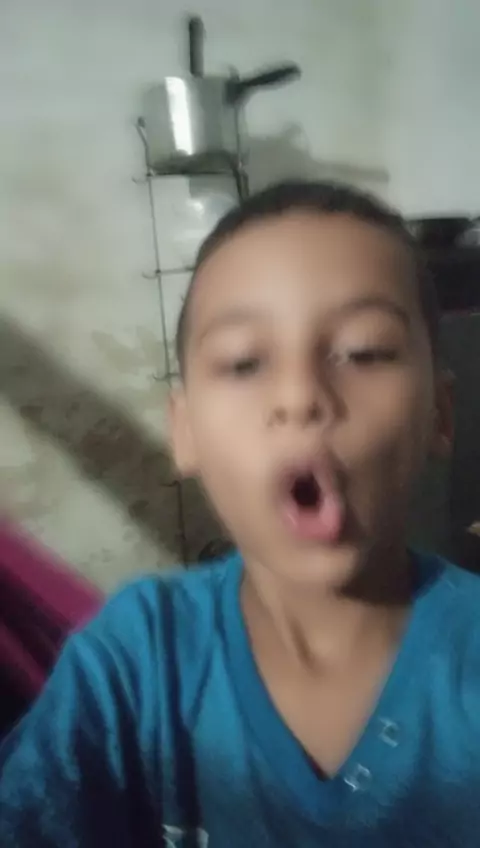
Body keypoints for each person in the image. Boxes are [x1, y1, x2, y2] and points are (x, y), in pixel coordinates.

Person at [0, 180, 478, 847]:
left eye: (364, 351)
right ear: (185, 431)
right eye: (244, 362)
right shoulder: (135, 664)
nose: (300, 395)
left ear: (441, 414)